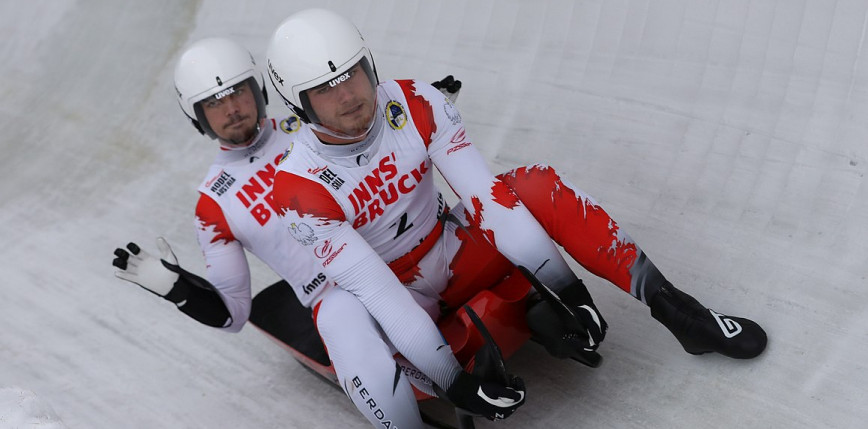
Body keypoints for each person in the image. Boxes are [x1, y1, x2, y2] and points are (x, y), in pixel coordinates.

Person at [265, 6, 768, 426]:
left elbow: (488, 200)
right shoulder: (296, 189)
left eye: (353, 73)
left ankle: (680, 311)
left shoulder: (418, 101)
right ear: (298, 103)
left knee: (532, 184)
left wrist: (571, 290)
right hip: (395, 299)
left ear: (370, 63)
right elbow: (379, 292)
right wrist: (451, 381)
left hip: (449, 250)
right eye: (326, 89)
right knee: (340, 315)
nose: (350, 95)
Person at [111, 37, 523, 428]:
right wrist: (173, 286)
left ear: (259, 91)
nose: (231, 108)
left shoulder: (319, 121)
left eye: (238, 92)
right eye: (214, 103)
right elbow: (232, 314)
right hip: (339, 292)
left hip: (406, 245)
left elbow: (387, 128)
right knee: (344, 316)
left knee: (492, 200)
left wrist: (420, 121)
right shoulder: (213, 204)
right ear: (197, 116)